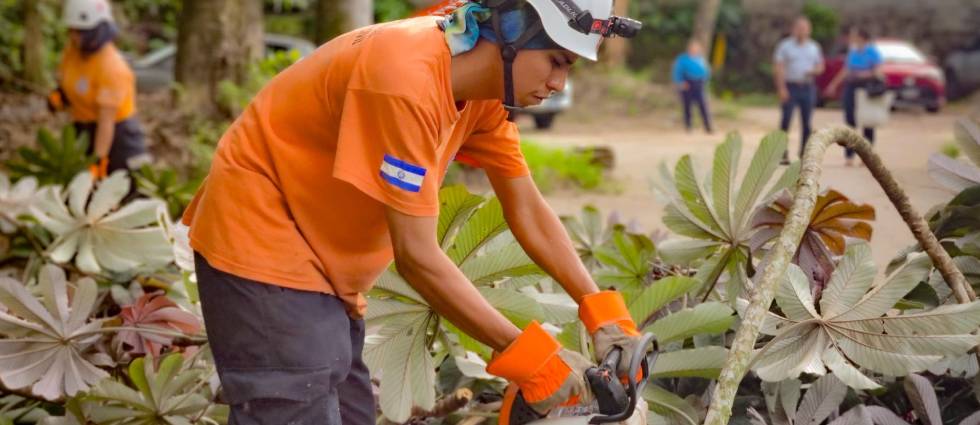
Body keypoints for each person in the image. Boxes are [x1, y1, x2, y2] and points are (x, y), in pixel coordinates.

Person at [179, 0, 645, 423]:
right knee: (297, 401)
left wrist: (602, 313)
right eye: (556, 61)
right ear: (511, 29)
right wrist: (531, 360)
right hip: (261, 232)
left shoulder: (480, 93)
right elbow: (417, 257)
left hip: (323, 254)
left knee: (351, 410)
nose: (559, 83)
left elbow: (525, 205)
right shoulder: (406, 80)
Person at [48, 0, 149, 180]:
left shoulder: (112, 68)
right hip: (83, 127)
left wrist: (99, 159)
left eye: (79, 32)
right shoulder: (72, 51)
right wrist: (61, 95)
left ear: (95, 31)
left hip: (118, 134)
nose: (73, 36)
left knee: (128, 185)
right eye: (71, 30)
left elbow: (106, 123)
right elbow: (68, 76)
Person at [825, 26, 883, 166]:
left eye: (854, 36)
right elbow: (846, 70)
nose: (852, 39)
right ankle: (849, 155)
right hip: (851, 86)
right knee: (850, 121)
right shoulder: (852, 52)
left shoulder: (873, 52)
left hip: (866, 88)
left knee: (867, 122)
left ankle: (867, 155)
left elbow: (877, 71)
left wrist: (863, 74)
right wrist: (833, 85)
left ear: (862, 38)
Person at [773, 16, 824, 164]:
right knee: (786, 120)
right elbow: (779, 68)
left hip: (807, 86)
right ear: (793, 29)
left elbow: (821, 67)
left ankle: (804, 154)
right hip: (791, 86)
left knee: (807, 122)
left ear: (809, 30)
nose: (802, 31)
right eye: (799, 28)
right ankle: (782, 154)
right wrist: (781, 88)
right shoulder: (785, 46)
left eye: (805, 28)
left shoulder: (814, 47)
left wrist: (814, 71)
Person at [672, 40, 713, 133]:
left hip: (699, 84)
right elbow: (677, 72)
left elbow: (706, 72)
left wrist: (704, 81)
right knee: (687, 106)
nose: (694, 49)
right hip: (687, 84)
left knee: (703, 106)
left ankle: (708, 126)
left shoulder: (701, 59)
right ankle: (688, 126)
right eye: (692, 48)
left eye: (696, 48)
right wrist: (680, 82)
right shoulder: (682, 59)